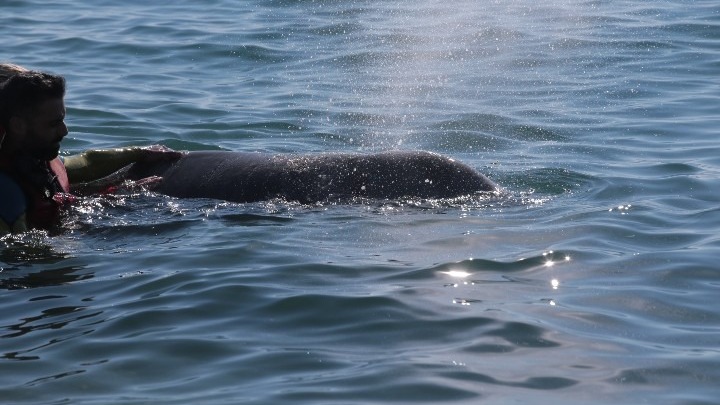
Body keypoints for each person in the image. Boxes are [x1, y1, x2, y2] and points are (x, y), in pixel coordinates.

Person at [0, 64, 182, 234]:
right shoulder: (7, 195)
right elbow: (25, 253)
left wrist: (140, 153)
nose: (65, 131)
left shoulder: (35, 156)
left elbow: (84, 164)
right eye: (53, 123)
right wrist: (109, 201)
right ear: (18, 125)